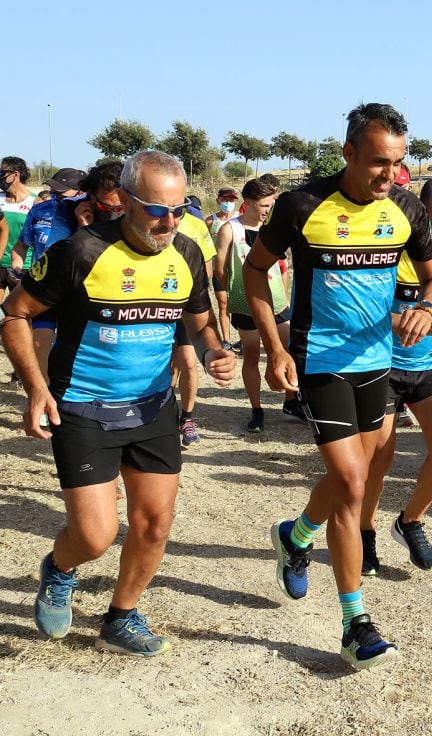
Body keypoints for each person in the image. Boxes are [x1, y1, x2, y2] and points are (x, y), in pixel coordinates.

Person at [0, 149, 234, 655]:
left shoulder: (187, 252)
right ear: (126, 201)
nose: (169, 222)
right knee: (95, 535)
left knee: (153, 526)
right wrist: (37, 388)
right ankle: (61, 568)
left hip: (152, 408)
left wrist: (215, 350)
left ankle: (121, 615)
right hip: (82, 406)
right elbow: (15, 315)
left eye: (179, 210)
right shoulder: (79, 252)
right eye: (156, 209)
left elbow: (199, 321)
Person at [246, 103, 432, 670]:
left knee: (344, 480)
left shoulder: (406, 208)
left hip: (378, 362)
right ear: (349, 153)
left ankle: (296, 535)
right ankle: (355, 623)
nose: (392, 175)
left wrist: (428, 310)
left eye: (400, 163)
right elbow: (254, 271)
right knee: (353, 482)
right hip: (319, 361)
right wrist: (277, 346)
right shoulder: (301, 205)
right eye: (380, 163)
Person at [360, 175, 432, 574]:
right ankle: (364, 534)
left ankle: (410, 521)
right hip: (382, 365)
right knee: (379, 460)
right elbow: (363, 314)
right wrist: (411, 318)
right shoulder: (388, 250)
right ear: (421, 212)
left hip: (431, 366)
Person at [215, 177, 300, 433]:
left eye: (272, 204)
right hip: (245, 303)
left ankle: (291, 401)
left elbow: (283, 263)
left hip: (276, 302)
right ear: (249, 203)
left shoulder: (273, 226)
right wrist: (226, 294)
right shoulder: (230, 229)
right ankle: (256, 409)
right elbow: (219, 268)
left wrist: (284, 293)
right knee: (251, 355)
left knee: (289, 350)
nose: (268, 209)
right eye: (264, 205)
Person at [9, 168, 86, 382]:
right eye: (53, 189)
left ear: (82, 193)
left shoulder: (92, 215)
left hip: (77, 292)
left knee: (72, 351)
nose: (55, 195)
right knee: (39, 344)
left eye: (61, 192)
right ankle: (42, 398)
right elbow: (21, 247)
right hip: (43, 289)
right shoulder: (39, 210)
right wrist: (17, 267)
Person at [171, 209, 218, 446]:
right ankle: (166, 413)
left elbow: (206, 262)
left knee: (188, 362)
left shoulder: (196, 224)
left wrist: (199, 293)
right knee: (169, 366)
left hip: (186, 305)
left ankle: (187, 418)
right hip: (159, 304)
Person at [206, 187, 240, 349]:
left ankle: (244, 337)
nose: (228, 203)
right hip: (219, 269)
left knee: (241, 303)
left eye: (231, 200)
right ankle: (226, 340)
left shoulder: (241, 219)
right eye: (225, 200)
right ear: (218, 200)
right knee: (223, 303)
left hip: (238, 269)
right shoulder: (210, 221)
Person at [1, 157, 35, 302]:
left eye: (2, 173)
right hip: (0, 263)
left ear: (15, 175)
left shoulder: (35, 202)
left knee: (20, 316)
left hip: (22, 267)